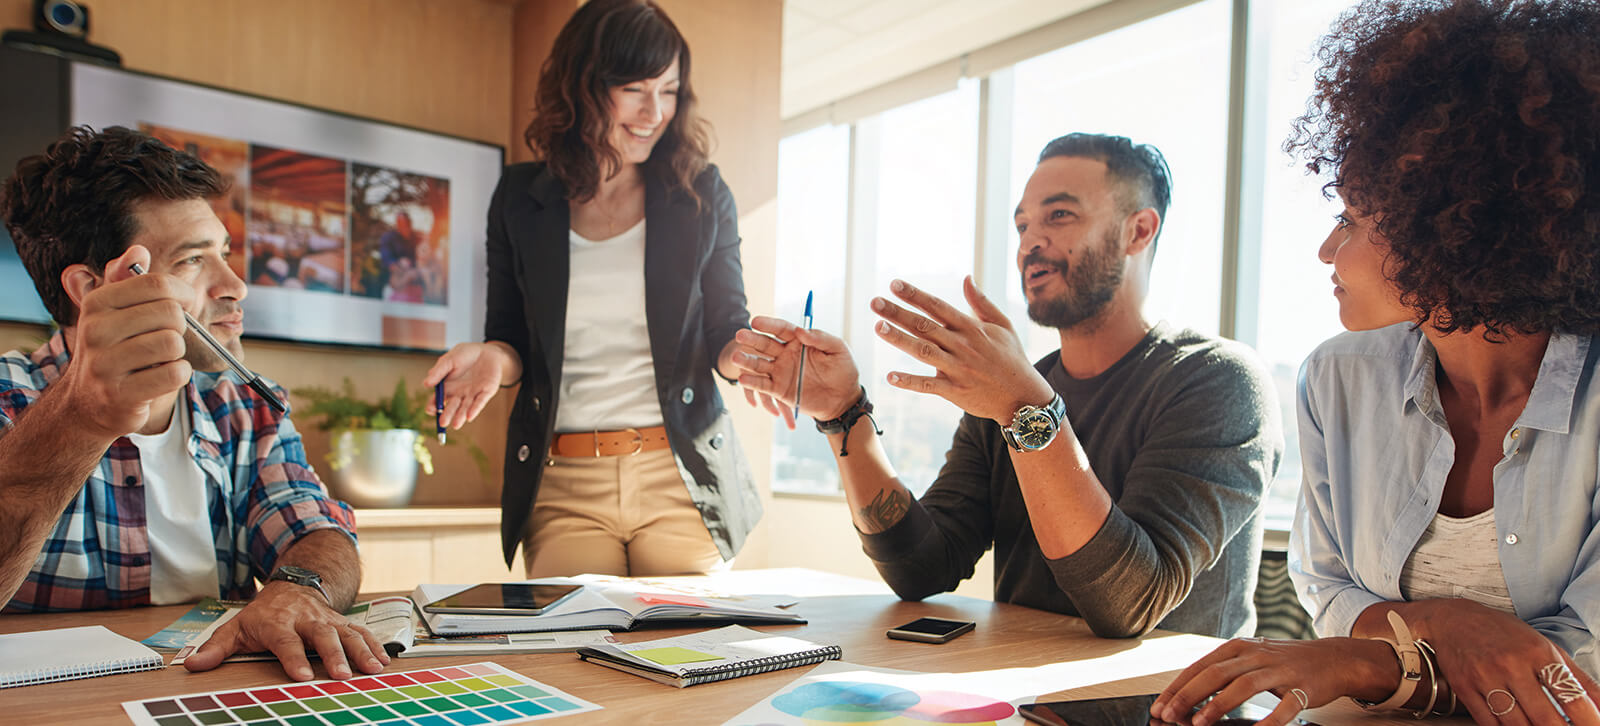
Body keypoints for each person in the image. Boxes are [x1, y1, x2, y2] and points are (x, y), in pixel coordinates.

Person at [1152, 2, 1600, 724]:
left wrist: (1370, 660)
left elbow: (1575, 673)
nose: (1328, 253)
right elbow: (1327, 587)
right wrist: (1448, 624)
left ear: (1459, 228)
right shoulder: (1337, 379)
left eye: (1354, 222)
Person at [731, 132, 1283, 640]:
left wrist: (1024, 406)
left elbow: (1130, 602)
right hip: (1018, 697)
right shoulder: (1011, 391)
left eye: (1059, 215)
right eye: (1022, 226)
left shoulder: (1218, 382)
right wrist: (844, 413)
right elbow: (923, 567)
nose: (1030, 243)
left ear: (1138, 230)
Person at [0, 125, 388, 683]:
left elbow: (312, 527)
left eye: (225, 254)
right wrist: (80, 419)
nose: (235, 284)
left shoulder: (244, 404)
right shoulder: (10, 397)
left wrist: (295, 590)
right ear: (91, 289)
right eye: (192, 261)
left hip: (209, 693)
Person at [424, 0, 784, 578]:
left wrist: (751, 356)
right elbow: (511, 338)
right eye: (635, 89)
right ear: (584, 87)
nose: (654, 112)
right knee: (572, 658)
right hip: (565, 485)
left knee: (691, 657)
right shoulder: (520, 197)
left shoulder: (700, 193)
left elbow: (724, 327)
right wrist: (491, 357)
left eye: (669, 90)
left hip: (680, 475)